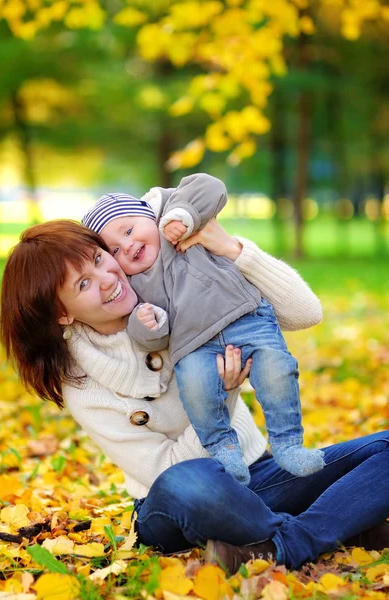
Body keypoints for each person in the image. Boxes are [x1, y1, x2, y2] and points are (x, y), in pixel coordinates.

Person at [0, 219, 389, 575]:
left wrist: (235, 251)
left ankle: (291, 541)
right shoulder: (82, 383)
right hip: (174, 504)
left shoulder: (175, 292)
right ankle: (341, 522)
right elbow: (162, 470)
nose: (107, 278)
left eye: (100, 258)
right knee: (191, 481)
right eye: (82, 284)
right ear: (62, 314)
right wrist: (221, 395)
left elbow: (305, 313)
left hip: (258, 473)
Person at [81, 173, 324, 485]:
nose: (127, 246)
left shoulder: (178, 226)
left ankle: (288, 443)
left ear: (149, 215)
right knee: (196, 390)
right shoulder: (132, 285)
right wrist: (148, 323)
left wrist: (183, 217)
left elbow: (209, 187)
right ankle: (222, 448)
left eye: (129, 230)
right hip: (194, 346)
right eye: (113, 250)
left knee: (277, 372)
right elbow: (146, 338)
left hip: (247, 319)